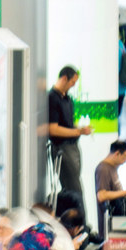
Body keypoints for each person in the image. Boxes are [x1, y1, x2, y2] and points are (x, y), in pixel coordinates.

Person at [45, 65, 86, 210]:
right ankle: (79, 224)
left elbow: (68, 123)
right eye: (72, 82)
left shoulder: (67, 99)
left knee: (75, 186)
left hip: (73, 147)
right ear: (64, 78)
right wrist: (77, 132)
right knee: (74, 189)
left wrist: (78, 130)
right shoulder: (52, 98)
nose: (73, 86)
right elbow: (53, 129)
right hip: (62, 148)